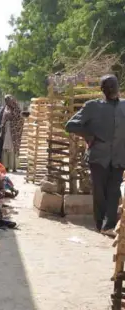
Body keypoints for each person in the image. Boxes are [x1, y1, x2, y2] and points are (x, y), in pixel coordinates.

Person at [65, 74, 125, 237]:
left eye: (114, 85)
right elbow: (71, 125)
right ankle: (101, 224)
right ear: (102, 90)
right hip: (98, 157)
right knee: (99, 192)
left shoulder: (124, 106)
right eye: (108, 86)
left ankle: (108, 225)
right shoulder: (92, 106)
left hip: (119, 157)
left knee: (114, 192)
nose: (113, 89)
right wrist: (89, 135)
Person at [0, 95, 23, 172]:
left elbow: (20, 120)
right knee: (6, 148)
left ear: (11, 100)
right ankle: (6, 166)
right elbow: (3, 120)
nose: (7, 103)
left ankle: (14, 167)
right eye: (5, 101)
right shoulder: (6, 109)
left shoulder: (17, 109)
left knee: (13, 148)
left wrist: (12, 122)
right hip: (7, 130)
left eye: (7, 101)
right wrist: (3, 127)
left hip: (15, 132)